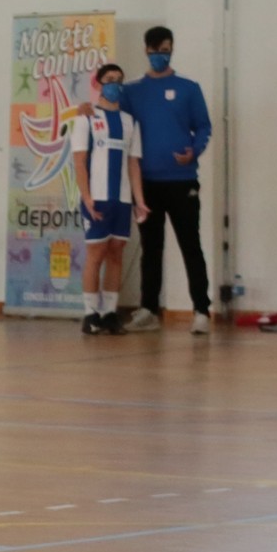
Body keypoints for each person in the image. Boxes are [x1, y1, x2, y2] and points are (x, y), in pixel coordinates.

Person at [120, 26, 214, 334]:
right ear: (146, 50)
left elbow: (204, 127)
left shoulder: (188, 88)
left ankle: (201, 310)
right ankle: (148, 309)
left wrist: (194, 150)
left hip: (182, 181)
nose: (161, 55)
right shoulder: (132, 91)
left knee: (191, 245)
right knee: (151, 248)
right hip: (146, 184)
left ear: (172, 50)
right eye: (155, 50)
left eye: (166, 50)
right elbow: (118, 122)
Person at [72, 63, 146, 334]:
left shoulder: (130, 122)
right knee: (96, 254)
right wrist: (87, 196)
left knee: (116, 253)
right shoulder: (86, 118)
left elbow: (133, 164)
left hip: (122, 200)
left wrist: (139, 200)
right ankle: (90, 314)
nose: (115, 84)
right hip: (98, 198)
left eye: (119, 79)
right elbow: (79, 161)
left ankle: (109, 313)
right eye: (110, 79)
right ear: (99, 83)